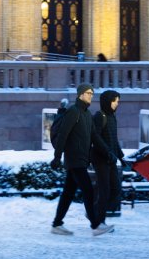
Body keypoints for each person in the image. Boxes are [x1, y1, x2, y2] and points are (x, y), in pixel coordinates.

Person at [50, 84, 113, 236]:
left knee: (68, 192)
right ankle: (95, 225)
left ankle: (57, 224)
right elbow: (63, 135)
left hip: (81, 159)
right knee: (88, 191)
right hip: (74, 158)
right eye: (88, 93)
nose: (91, 95)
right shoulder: (73, 112)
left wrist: (108, 152)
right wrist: (57, 157)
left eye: (92, 93)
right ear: (80, 95)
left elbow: (95, 137)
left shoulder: (86, 114)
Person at [92, 89, 126, 218]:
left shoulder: (112, 117)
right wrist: (107, 152)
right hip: (100, 159)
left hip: (110, 159)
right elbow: (96, 138)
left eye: (118, 101)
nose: (117, 103)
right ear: (107, 102)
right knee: (104, 190)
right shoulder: (99, 116)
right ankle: (99, 220)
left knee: (116, 189)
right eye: (114, 101)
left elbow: (113, 139)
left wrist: (121, 157)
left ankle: (94, 212)